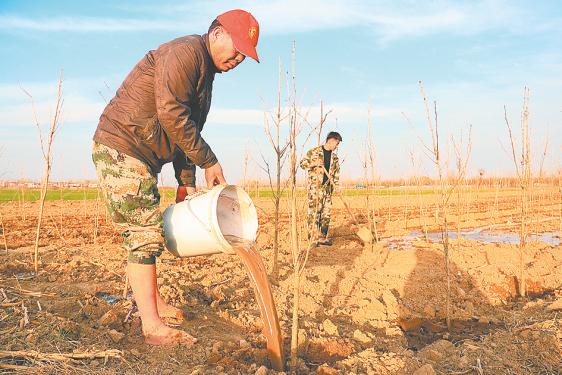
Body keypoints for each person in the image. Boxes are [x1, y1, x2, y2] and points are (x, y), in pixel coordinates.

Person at [91, 9, 260, 346]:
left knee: (149, 228)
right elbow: (171, 114)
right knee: (144, 233)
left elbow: (187, 133)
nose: (239, 58)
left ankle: (151, 303)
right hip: (123, 145)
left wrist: (187, 182)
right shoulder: (184, 54)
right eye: (237, 48)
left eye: (245, 55)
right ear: (216, 34)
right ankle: (151, 326)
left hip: (141, 153)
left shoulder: (205, 76)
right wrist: (210, 161)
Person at [300, 132, 342, 246]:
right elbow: (302, 164)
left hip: (327, 189)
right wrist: (314, 163)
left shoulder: (335, 158)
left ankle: (322, 237)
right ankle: (313, 239)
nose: (337, 146)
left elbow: (336, 174)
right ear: (331, 140)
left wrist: (336, 186)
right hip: (315, 189)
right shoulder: (314, 152)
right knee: (314, 213)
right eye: (336, 143)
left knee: (325, 214)